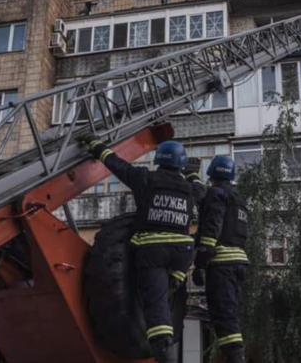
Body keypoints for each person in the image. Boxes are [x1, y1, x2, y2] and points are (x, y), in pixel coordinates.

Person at [78, 133, 205, 363]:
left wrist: (94, 144)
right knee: (169, 291)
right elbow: (200, 189)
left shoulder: (145, 178)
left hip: (153, 250)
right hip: (182, 253)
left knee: (156, 310)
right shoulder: (188, 189)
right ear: (180, 164)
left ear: (159, 160)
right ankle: (174, 282)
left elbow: (115, 164)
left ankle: (164, 352)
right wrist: (194, 172)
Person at [193, 156, 248, 363]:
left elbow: (211, 229)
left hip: (221, 264)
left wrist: (200, 263)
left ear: (212, 173)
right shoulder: (238, 199)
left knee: (223, 316)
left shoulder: (216, 194)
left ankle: (235, 358)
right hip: (239, 263)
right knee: (231, 315)